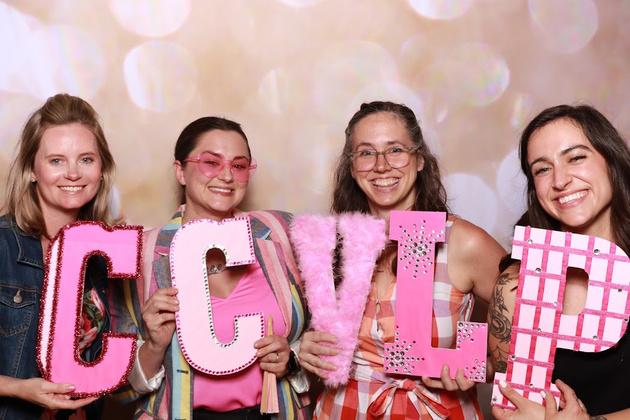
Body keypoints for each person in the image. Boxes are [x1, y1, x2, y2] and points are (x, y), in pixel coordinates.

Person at [298, 101, 505, 419]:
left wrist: (485, 366)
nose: (381, 166)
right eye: (366, 153)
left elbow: (534, 325)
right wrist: (306, 350)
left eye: (395, 150)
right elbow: (316, 344)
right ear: (352, 167)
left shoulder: (463, 242)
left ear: (419, 160)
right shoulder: (331, 245)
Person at [112, 117, 310, 419]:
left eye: (239, 165)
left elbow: (327, 332)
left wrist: (291, 359)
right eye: (211, 162)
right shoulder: (141, 255)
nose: (227, 176)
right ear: (180, 171)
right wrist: (153, 346)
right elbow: (120, 387)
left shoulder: (280, 232)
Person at [488, 104, 630, 419]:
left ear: (611, 160)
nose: (560, 180)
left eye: (576, 157)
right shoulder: (514, 287)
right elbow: (512, 404)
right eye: (542, 169)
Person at [0, 93, 119, 419]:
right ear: (32, 169)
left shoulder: (104, 257)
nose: (73, 173)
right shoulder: (4, 245)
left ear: (101, 169)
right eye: (56, 161)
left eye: (86, 159)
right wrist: (18, 388)